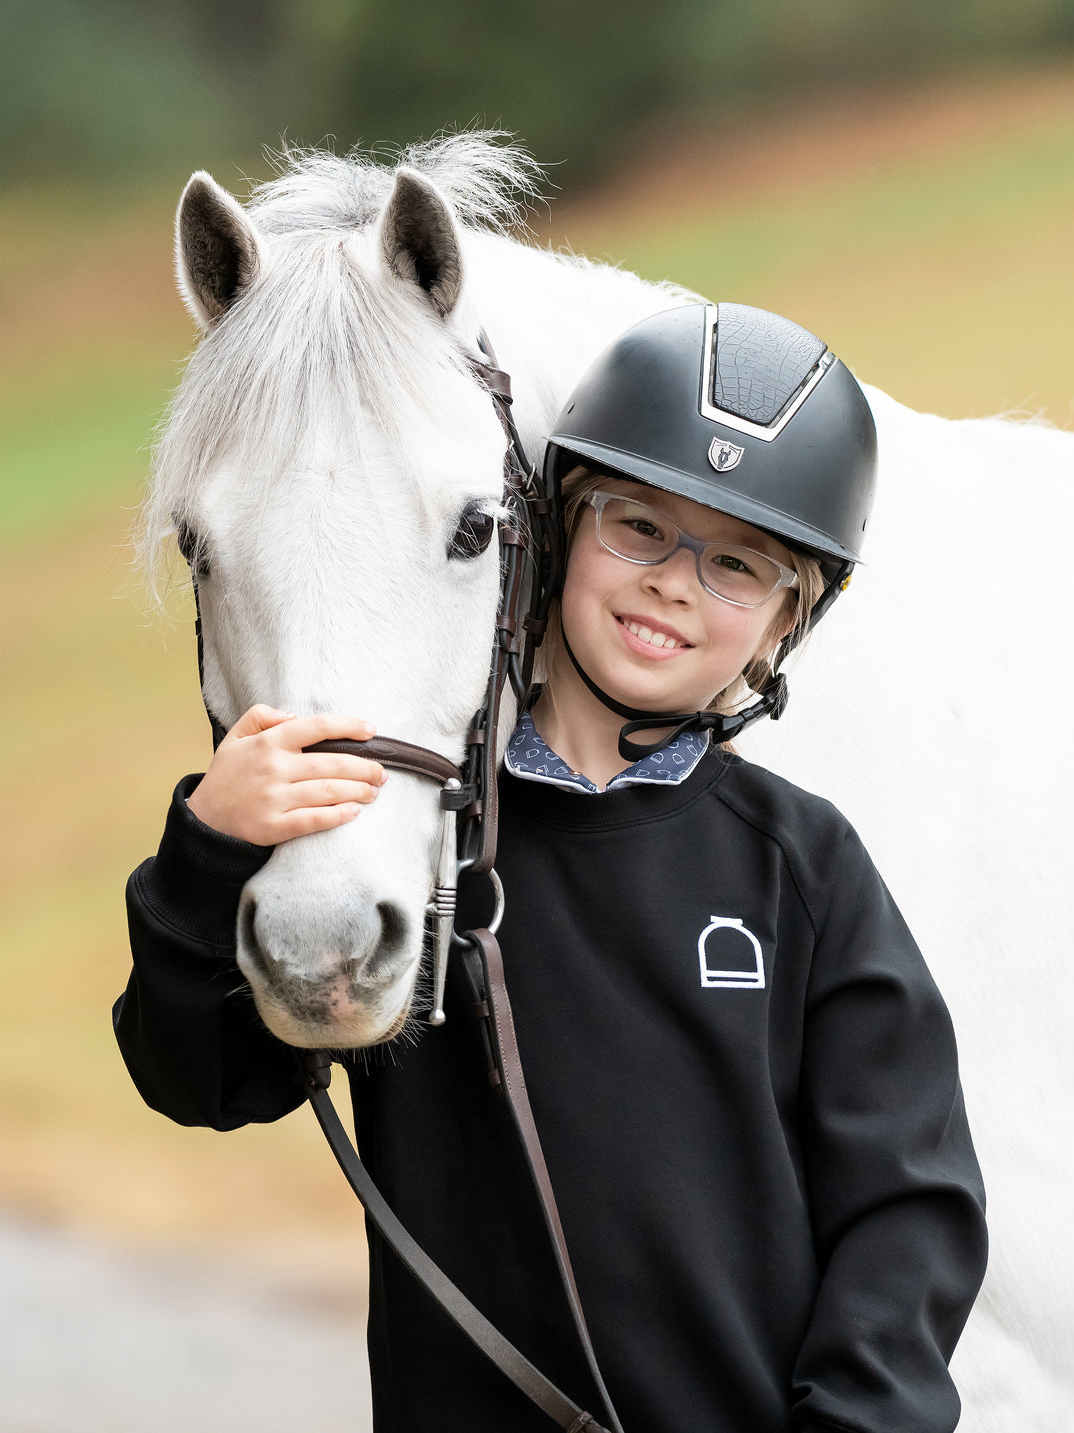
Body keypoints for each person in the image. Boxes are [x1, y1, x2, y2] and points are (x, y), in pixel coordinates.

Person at [114, 302, 987, 1433]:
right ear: (557, 527)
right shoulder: (417, 848)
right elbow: (206, 1081)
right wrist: (209, 854)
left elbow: (908, 1207)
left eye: (736, 563)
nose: (674, 581)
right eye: (638, 526)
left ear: (783, 625)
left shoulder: (800, 864)